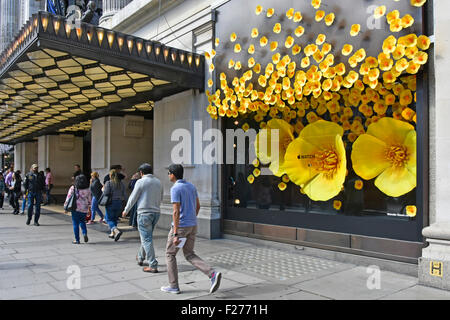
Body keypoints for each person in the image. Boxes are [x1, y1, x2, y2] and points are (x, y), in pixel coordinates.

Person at [161, 164, 222, 295]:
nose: (168, 176)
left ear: (172, 174)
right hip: (193, 225)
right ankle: (212, 274)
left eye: (168, 173)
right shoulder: (191, 186)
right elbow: (198, 206)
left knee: (170, 254)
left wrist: (176, 233)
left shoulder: (175, 188)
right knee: (189, 254)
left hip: (181, 227)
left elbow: (176, 212)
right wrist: (191, 219)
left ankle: (173, 286)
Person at [122, 164, 163, 273]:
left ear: (141, 172)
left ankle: (153, 264)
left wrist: (126, 210)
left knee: (146, 239)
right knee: (146, 237)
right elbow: (161, 197)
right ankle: (140, 257)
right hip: (156, 212)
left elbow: (133, 197)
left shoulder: (141, 182)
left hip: (144, 213)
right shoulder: (158, 182)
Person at [64, 174, 91, 244]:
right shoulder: (87, 189)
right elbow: (89, 200)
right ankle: (84, 233)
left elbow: (68, 197)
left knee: (75, 223)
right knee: (82, 221)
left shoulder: (73, 188)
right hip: (84, 208)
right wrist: (89, 208)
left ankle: (77, 240)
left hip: (75, 208)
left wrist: (65, 207)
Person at [103, 169, 126, 241]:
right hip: (119, 203)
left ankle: (115, 230)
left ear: (110, 175)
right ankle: (113, 234)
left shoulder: (109, 183)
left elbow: (106, 193)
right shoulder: (121, 183)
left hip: (111, 203)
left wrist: (103, 189)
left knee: (108, 219)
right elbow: (124, 194)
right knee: (115, 219)